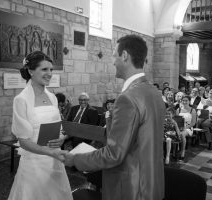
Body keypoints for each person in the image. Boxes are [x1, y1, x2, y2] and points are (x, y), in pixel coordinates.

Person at [62, 35, 166, 200]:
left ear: (124, 55)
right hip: (152, 184)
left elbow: (114, 154)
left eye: (114, 55)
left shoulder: (128, 98)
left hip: (130, 188)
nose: (112, 61)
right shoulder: (154, 92)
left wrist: (75, 159)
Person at [8, 51, 73, 200]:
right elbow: (23, 141)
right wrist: (50, 152)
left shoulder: (52, 98)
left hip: (55, 160)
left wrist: (62, 138)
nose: (49, 73)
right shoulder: (21, 100)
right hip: (34, 163)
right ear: (31, 71)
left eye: (51, 69)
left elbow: (59, 127)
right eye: (44, 69)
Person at [177, 95, 197, 160]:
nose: (184, 102)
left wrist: (185, 127)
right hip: (179, 127)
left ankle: (183, 152)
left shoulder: (192, 110)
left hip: (188, 127)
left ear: (189, 101)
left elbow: (193, 123)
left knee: (182, 134)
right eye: (183, 100)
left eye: (186, 101)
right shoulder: (178, 109)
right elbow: (176, 120)